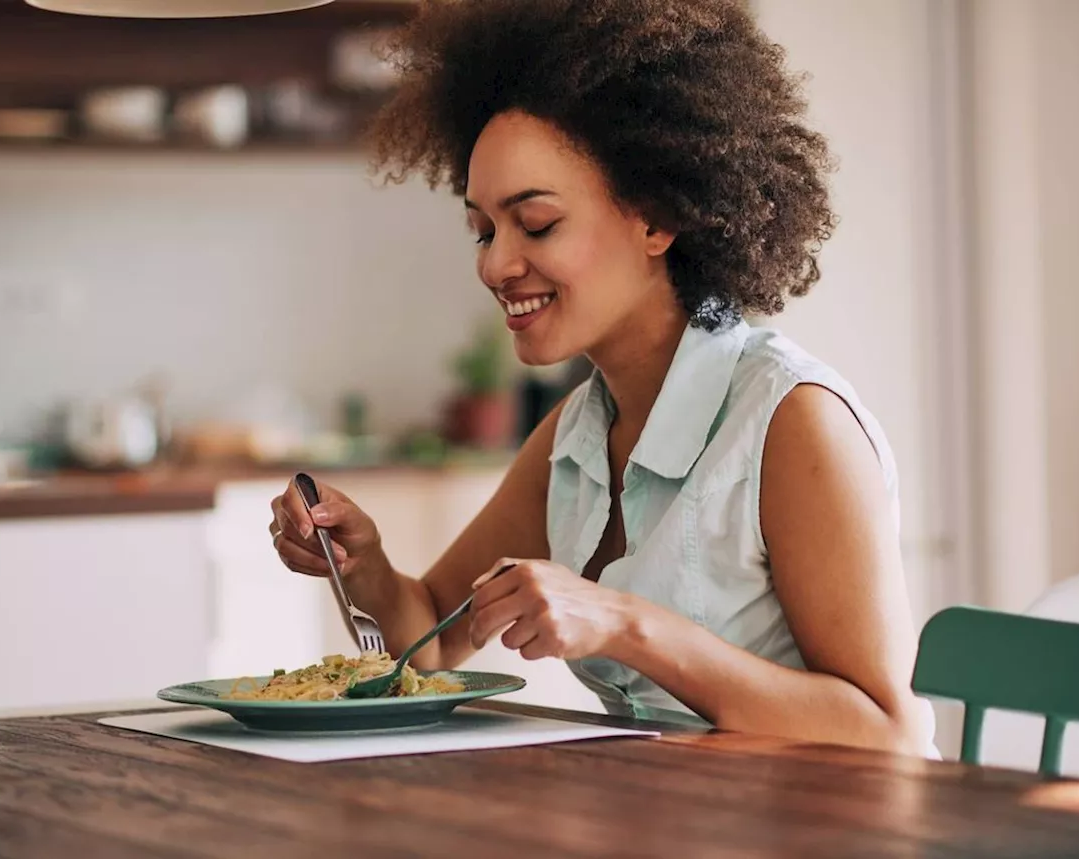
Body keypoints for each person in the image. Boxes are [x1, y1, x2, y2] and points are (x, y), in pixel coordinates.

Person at [267, 0, 937, 755]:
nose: (493, 264)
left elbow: (890, 731)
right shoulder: (579, 432)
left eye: (537, 223)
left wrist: (622, 621)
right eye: (483, 230)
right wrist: (365, 563)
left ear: (655, 218)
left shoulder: (791, 422)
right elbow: (430, 642)